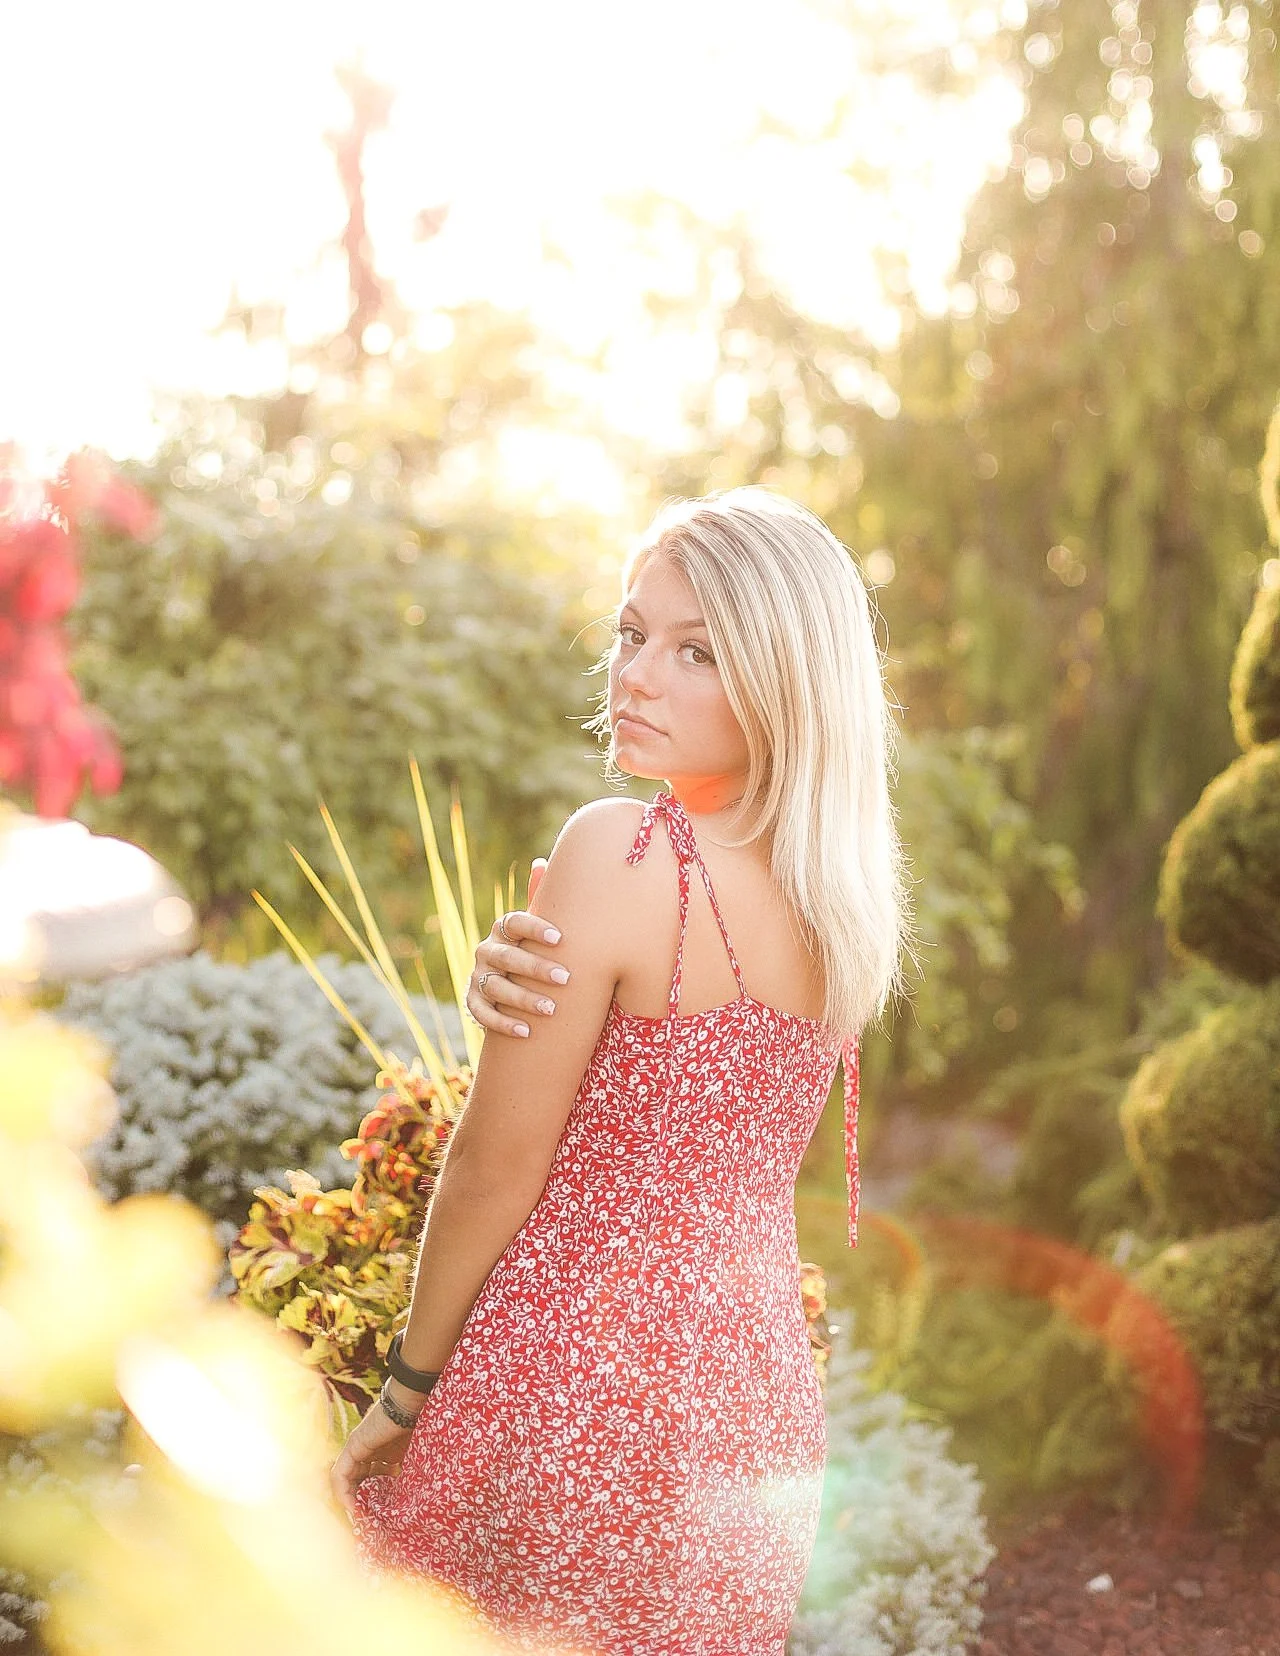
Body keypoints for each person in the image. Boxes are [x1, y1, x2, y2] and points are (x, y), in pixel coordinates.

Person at [333, 486, 915, 1655]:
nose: (636, 675)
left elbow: (495, 1167)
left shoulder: (622, 849)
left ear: (784, 681)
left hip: (570, 1380)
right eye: (631, 633)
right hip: (752, 1411)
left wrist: (403, 1393)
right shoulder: (845, 907)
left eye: (696, 651)